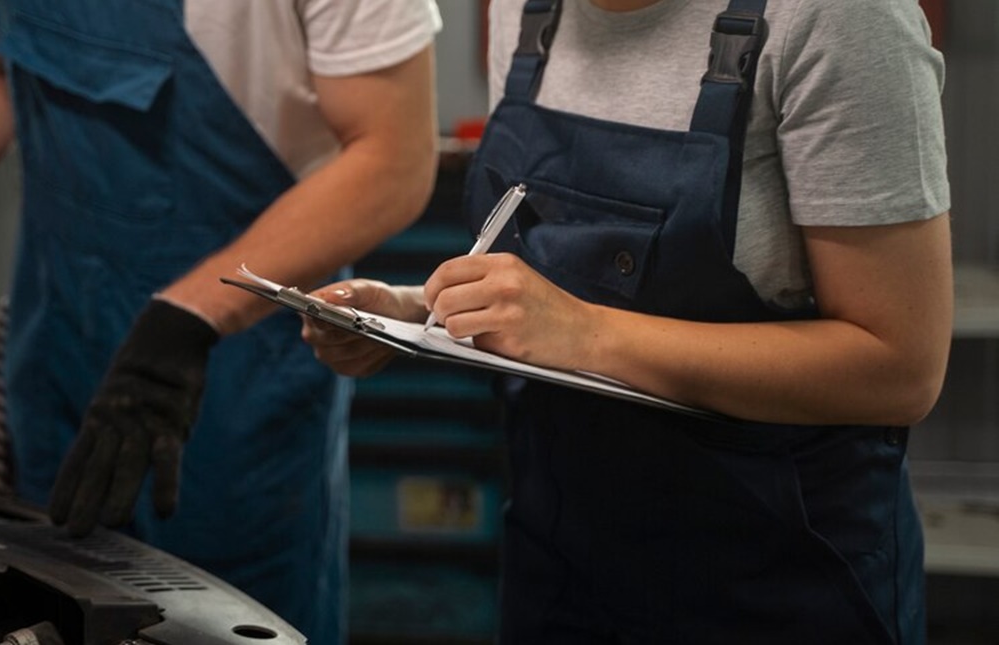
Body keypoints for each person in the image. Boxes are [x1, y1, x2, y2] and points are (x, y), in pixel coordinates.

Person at [301, 0, 952, 642]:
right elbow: (550, 284)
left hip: (778, 584)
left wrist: (586, 333)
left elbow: (899, 366)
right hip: (557, 565)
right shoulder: (524, 12)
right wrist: (417, 310)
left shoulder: (839, 18)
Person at [0, 0, 442, 642]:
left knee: (225, 618)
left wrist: (191, 316)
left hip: (227, 373)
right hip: (58, 336)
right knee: (42, 602)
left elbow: (394, 161)